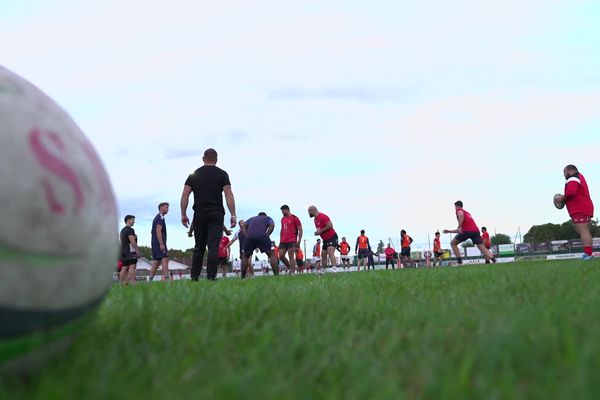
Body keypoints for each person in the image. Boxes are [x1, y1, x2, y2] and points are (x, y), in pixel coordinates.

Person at [180, 148, 236, 280]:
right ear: (216, 160)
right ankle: (211, 277)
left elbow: (184, 195)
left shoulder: (193, 175)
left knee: (199, 246)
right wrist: (233, 214)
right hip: (216, 214)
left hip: (199, 213)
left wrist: (183, 214)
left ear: (203, 159)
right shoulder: (222, 174)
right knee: (213, 246)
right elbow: (229, 194)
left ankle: (194, 276)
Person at [555, 165, 595, 260]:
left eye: (564, 172)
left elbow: (571, 192)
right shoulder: (579, 177)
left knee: (583, 231)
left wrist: (561, 198)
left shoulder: (573, 178)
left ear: (569, 171)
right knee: (584, 231)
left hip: (579, 208)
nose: (564, 175)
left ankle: (588, 255)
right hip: (583, 207)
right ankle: (588, 254)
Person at [443, 201, 496, 265]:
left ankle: (460, 262)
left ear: (456, 206)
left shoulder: (459, 210)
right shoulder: (467, 213)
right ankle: (494, 260)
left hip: (467, 231)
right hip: (476, 231)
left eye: (455, 207)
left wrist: (459, 226)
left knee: (453, 243)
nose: (455, 208)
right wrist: (449, 231)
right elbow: (460, 230)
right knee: (482, 248)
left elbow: (460, 215)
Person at [241, 212, 279, 278]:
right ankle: (276, 276)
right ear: (265, 215)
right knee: (271, 254)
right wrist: (267, 234)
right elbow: (272, 225)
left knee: (245, 256)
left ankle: (243, 277)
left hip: (249, 236)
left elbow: (243, 225)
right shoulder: (268, 218)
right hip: (262, 235)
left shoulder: (251, 219)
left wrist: (246, 235)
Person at [308, 206, 339, 274]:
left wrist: (321, 231)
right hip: (325, 239)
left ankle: (334, 269)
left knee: (330, 251)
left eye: (309, 212)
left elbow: (330, 225)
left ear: (313, 210)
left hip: (332, 237)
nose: (308, 213)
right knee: (323, 254)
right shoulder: (315, 219)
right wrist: (318, 232)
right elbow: (320, 229)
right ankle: (324, 270)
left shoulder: (323, 216)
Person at [279, 205, 303, 275]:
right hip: (283, 240)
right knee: (281, 256)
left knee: (291, 255)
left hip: (292, 239)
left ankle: (292, 272)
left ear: (287, 210)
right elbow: (282, 229)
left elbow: (300, 229)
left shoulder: (295, 218)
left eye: (283, 211)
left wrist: (299, 241)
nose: (282, 212)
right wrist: (280, 239)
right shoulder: (282, 219)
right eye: (281, 211)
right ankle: (291, 268)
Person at [149, 202, 170, 281]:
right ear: (161, 208)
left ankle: (150, 280)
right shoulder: (160, 217)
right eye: (166, 207)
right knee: (165, 259)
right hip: (159, 243)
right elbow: (158, 230)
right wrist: (161, 244)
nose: (168, 209)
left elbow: (152, 231)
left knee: (156, 262)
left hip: (154, 243)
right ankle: (167, 279)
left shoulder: (156, 218)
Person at [119, 215, 141, 285]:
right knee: (132, 266)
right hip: (130, 251)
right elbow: (132, 241)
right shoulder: (130, 230)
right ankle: (133, 283)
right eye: (133, 220)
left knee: (124, 267)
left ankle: (120, 284)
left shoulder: (122, 230)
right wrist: (137, 250)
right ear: (128, 220)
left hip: (123, 251)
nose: (134, 222)